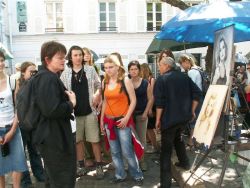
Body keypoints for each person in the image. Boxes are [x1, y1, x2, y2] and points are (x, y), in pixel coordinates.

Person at [32, 41, 77, 187]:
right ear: (47, 59)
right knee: (62, 178)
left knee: (55, 178)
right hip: (54, 138)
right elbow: (51, 110)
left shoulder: (47, 76)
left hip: (52, 136)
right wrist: (71, 103)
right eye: (60, 57)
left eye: (64, 57)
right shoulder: (47, 78)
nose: (64, 60)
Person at [154, 57, 202, 188]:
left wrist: (158, 120)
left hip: (169, 120)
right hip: (183, 118)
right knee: (178, 139)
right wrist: (192, 111)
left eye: (160, 65)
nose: (159, 68)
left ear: (166, 66)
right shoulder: (184, 77)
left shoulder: (161, 79)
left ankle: (165, 184)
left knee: (166, 151)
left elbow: (159, 103)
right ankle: (184, 162)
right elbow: (197, 93)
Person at [60, 45, 104, 179]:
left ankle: (99, 166)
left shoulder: (90, 70)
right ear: (70, 57)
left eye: (80, 55)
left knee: (94, 140)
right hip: (74, 114)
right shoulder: (65, 73)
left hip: (89, 111)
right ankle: (81, 166)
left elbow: (98, 85)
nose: (78, 57)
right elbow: (62, 91)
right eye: (75, 55)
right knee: (78, 141)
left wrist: (97, 94)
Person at [100, 54, 143, 185]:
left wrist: (126, 118)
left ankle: (137, 175)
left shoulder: (125, 80)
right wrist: (101, 120)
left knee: (127, 151)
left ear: (117, 67)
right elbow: (105, 102)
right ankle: (120, 174)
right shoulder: (104, 82)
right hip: (109, 121)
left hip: (122, 121)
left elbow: (133, 100)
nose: (108, 70)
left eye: (111, 67)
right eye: (106, 67)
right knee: (115, 151)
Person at [0, 51, 28, 188]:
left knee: (18, 162)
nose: (0, 64)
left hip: (13, 126)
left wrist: (12, 130)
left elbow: (18, 107)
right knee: (0, 166)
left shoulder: (12, 80)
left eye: (1, 60)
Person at [15, 62, 45, 188]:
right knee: (22, 153)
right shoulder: (18, 84)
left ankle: (39, 174)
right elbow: (15, 104)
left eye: (35, 71)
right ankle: (25, 180)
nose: (33, 74)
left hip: (35, 123)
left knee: (35, 151)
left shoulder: (37, 84)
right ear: (23, 72)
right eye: (30, 71)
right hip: (21, 124)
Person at [128, 60, 153, 171]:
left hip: (141, 115)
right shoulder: (126, 82)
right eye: (131, 69)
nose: (133, 71)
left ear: (139, 70)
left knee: (141, 139)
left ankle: (142, 161)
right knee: (129, 140)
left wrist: (145, 112)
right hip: (129, 116)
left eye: (135, 69)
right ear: (129, 70)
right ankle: (132, 161)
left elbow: (151, 98)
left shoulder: (145, 83)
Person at [179, 54, 203, 148]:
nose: (182, 66)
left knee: (193, 119)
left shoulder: (191, 72)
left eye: (182, 64)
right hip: (200, 98)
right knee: (196, 119)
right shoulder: (198, 69)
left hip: (195, 99)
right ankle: (196, 140)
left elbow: (190, 88)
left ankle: (191, 142)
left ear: (186, 62)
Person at [140, 63, 159, 153]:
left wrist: (150, 109)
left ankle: (155, 146)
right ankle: (151, 143)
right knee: (147, 127)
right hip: (145, 106)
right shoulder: (143, 80)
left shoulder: (151, 79)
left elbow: (152, 96)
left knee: (150, 128)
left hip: (150, 106)